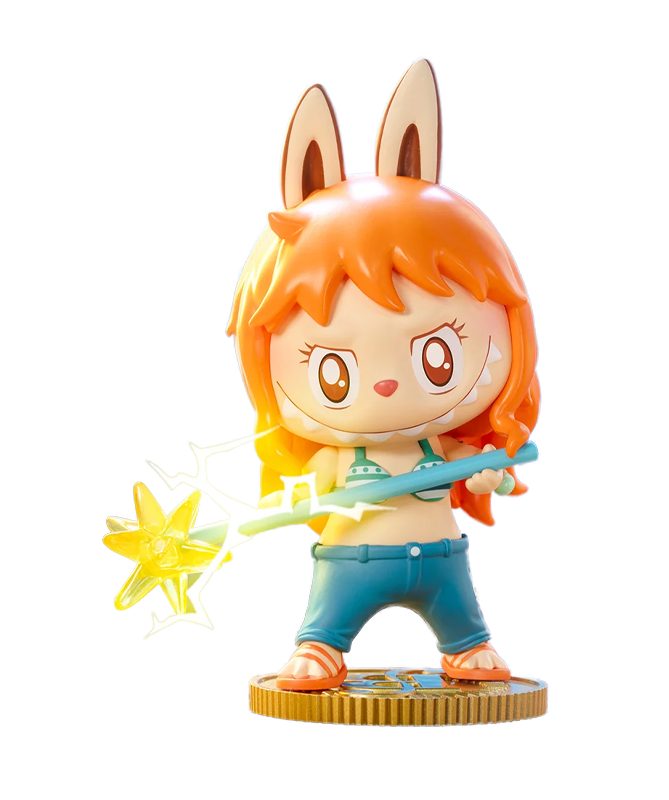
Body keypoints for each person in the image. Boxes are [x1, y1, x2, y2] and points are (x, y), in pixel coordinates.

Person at [227, 59, 540, 691]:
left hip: (441, 560)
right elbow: (301, 488)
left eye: (436, 356)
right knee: (327, 618)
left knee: (462, 616)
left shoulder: (441, 448)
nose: (388, 387)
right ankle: (321, 645)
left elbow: (489, 472)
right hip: (352, 559)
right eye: (335, 372)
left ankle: (467, 646)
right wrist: (290, 497)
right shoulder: (338, 458)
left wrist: (488, 473)